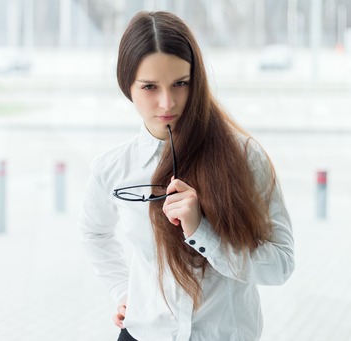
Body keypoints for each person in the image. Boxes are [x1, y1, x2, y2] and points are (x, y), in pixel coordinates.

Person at [79, 11, 294, 341]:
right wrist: (123, 290)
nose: (167, 102)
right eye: (150, 87)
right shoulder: (112, 169)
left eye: (180, 83)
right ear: (127, 87)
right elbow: (95, 234)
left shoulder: (245, 157)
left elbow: (280, 265)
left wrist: (202, 232)